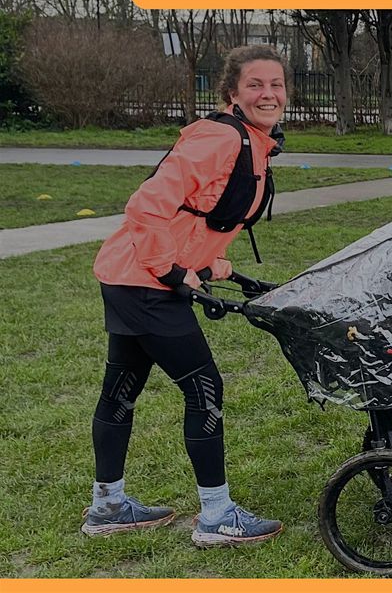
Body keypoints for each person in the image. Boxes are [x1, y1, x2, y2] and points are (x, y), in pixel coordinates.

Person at [84, 45, 288, 547]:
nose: (268, 94)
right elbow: (146, 206)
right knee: (204, 389)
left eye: (277, 85)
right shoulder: (220, 138)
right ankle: (216, 515)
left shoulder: (252, 142)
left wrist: (218, 266)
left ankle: (108, 506)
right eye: (256, 85)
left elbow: (196, 216)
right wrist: (172, 272)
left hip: (130, 277)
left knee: (121, 389)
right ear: (232, 93)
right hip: (146, 282)